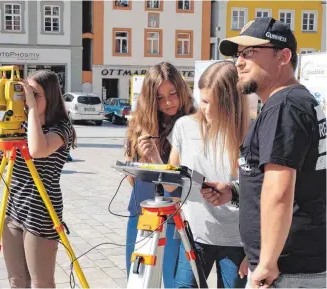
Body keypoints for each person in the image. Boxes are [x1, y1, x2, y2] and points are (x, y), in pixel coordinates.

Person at [201, 17, 326, 288]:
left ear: (283, 56)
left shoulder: (285, 106)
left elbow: (279, 192)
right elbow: (295, 184)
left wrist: (268, 261)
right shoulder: (291, 102)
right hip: (286, 266)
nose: (239, 62)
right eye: (238, 54)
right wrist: (233, 191)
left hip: (286, 271)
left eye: (250, 53)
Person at [0, 70, 76, 288]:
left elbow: (37, 150)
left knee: (41, 282)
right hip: (14, 209)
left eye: (34, 94)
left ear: (52, 97)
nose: (27, 100)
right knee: (16, 280)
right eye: (24, 93)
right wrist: (0, 102)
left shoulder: (62, 128)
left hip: (43, 210)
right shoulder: (19, 125)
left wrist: (32, 110)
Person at [166, 61, 250, 288]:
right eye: (203, 101)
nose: (206, 109)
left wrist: (255, 252)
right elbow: (172, 182)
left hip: (238, 242)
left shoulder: (250, 133)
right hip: (195, 235)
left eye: (215, 103)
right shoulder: (184, 126)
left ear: (232, 103)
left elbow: (261, 192)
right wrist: (151, 162)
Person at [124, 62, 195, 287]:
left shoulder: (191, 123)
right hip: (142, 210)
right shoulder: (142, 122)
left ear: (182, 90)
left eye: (173, 94)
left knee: (174, 282)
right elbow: (131, 179)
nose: (168, 102)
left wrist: (156, 160)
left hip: (176, 216)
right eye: (160, 97)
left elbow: (179, 183)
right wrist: (135, 162)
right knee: (137, 280)